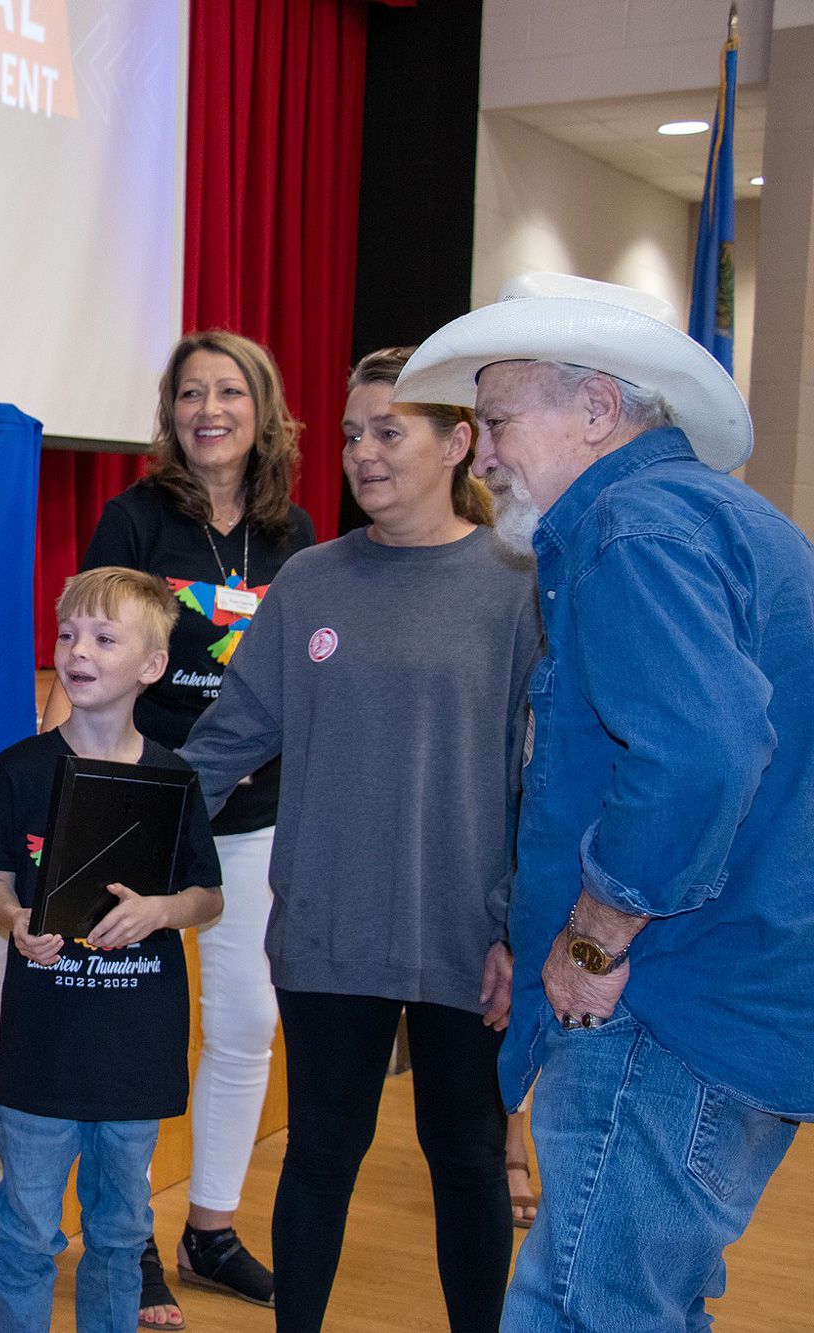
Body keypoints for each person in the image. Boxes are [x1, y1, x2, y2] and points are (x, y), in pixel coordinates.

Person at [395, 272, 814, 1330]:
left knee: (586, 1309)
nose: (480, 454)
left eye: (495, 420)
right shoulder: (715, 519)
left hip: (663, 1011)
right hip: (726, 1001)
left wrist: (590, 934)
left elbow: (699, 755)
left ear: (594, 409)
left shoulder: (634, 524)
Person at [179, 346, 538, 1333]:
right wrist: (114, 848)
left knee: (464, 1157)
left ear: (456, 441)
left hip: (466, 939)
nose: (361, 454)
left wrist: (522, 926)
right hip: (328, 930)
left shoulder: (516, 587)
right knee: (319, 1153)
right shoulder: (310, 582)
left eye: (388, 431)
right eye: (348, 434)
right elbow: (223, 745)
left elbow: (545, 780)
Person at [42, 330, 313, 1324]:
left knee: (244, 1022)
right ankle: (128, 1238)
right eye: (190, 392)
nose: (209, 408)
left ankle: (209, 1224)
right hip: (143, 808)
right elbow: (90, 648)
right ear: (170, 415)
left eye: (228, 391)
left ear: (261, 410)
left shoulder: (297, 538)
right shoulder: (132, 517)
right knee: (131, 1027)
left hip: (257, 814)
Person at [0, 567, 224, 1333]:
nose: (78, 651)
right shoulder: (21, 767)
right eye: (67, 635)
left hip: (133, 1054)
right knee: (24, 1231)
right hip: (41, 1054)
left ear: (151, 665)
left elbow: (207, 896)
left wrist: (160, 910)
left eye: (103, 637)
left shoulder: (173, 777)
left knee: (119, 1234)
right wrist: (16, 919)